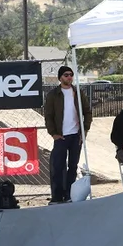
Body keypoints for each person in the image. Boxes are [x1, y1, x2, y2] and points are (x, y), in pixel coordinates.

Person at [44, 66, 92, 204]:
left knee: (73, 166)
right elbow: (48, 116)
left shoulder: (78, 93)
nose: (69, 77)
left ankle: (69, 195)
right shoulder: (53, 95)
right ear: (60, 78)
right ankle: (57, 197)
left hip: (76, 136)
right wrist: (53, 134)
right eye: (66, 75)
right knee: (58, 166)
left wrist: (85, 130)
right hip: (61, 136)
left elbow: (87, 112)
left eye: (71, 75)